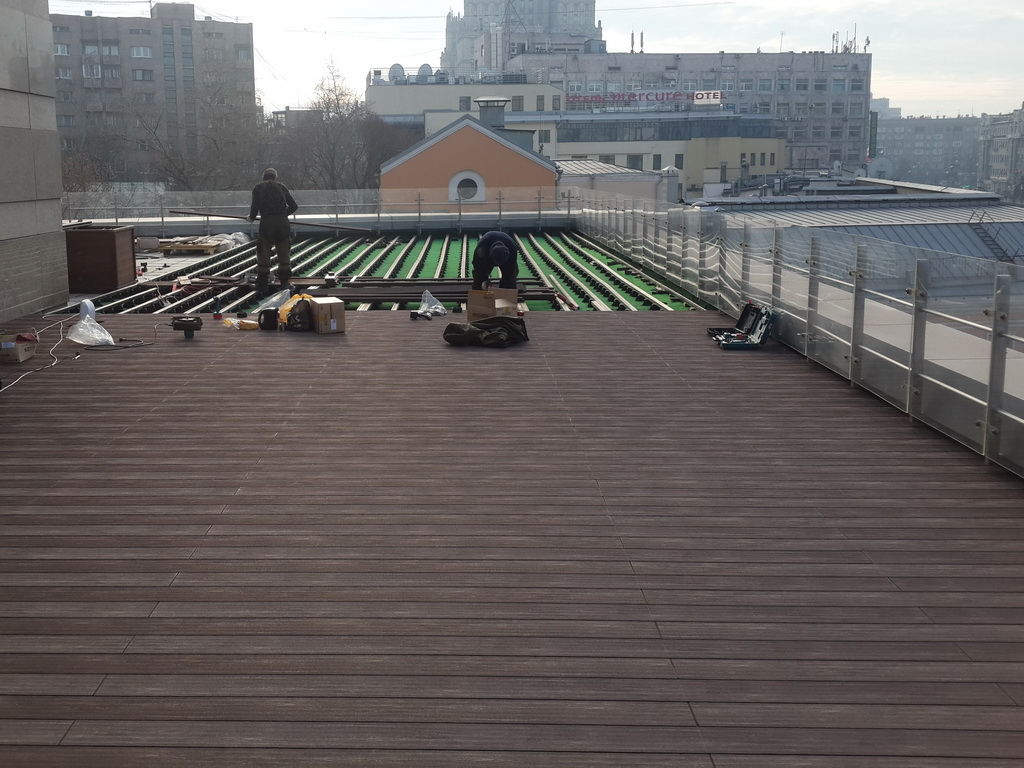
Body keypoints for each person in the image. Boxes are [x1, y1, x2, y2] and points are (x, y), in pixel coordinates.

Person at [247, 168, 298, 297]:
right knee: (284, 254)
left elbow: (255, 207)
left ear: (263, 177)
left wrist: (251, 217)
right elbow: (294, 206)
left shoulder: (258, 188)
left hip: (266, 225)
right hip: (282, 225)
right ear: (275, 177)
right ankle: (284, 283)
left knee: (263, 254)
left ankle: (262, 285)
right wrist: (282, 215)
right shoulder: (281, 187)